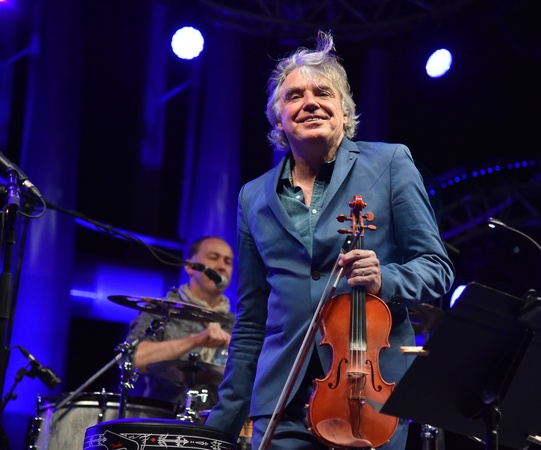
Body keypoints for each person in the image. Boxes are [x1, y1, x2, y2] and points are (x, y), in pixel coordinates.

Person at [205, 30, 455, 450]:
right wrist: (222, 424)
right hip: (281, 402)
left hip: (369, 394)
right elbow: (252, 318)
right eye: (294, 96)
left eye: (323, 92)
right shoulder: (253, 196)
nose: (310, 102)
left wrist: (386, 278)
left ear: (344, 111)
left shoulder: (391, 162)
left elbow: (437, 268)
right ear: (278, 118)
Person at [126, 235, 236, 412]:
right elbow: (134, 358)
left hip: (218, 422)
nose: (222, 266)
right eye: (213, 257)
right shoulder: (161, 310)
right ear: (190, 267)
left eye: (228, 261)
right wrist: (195, 340)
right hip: (162, 418)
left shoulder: (237, 324)